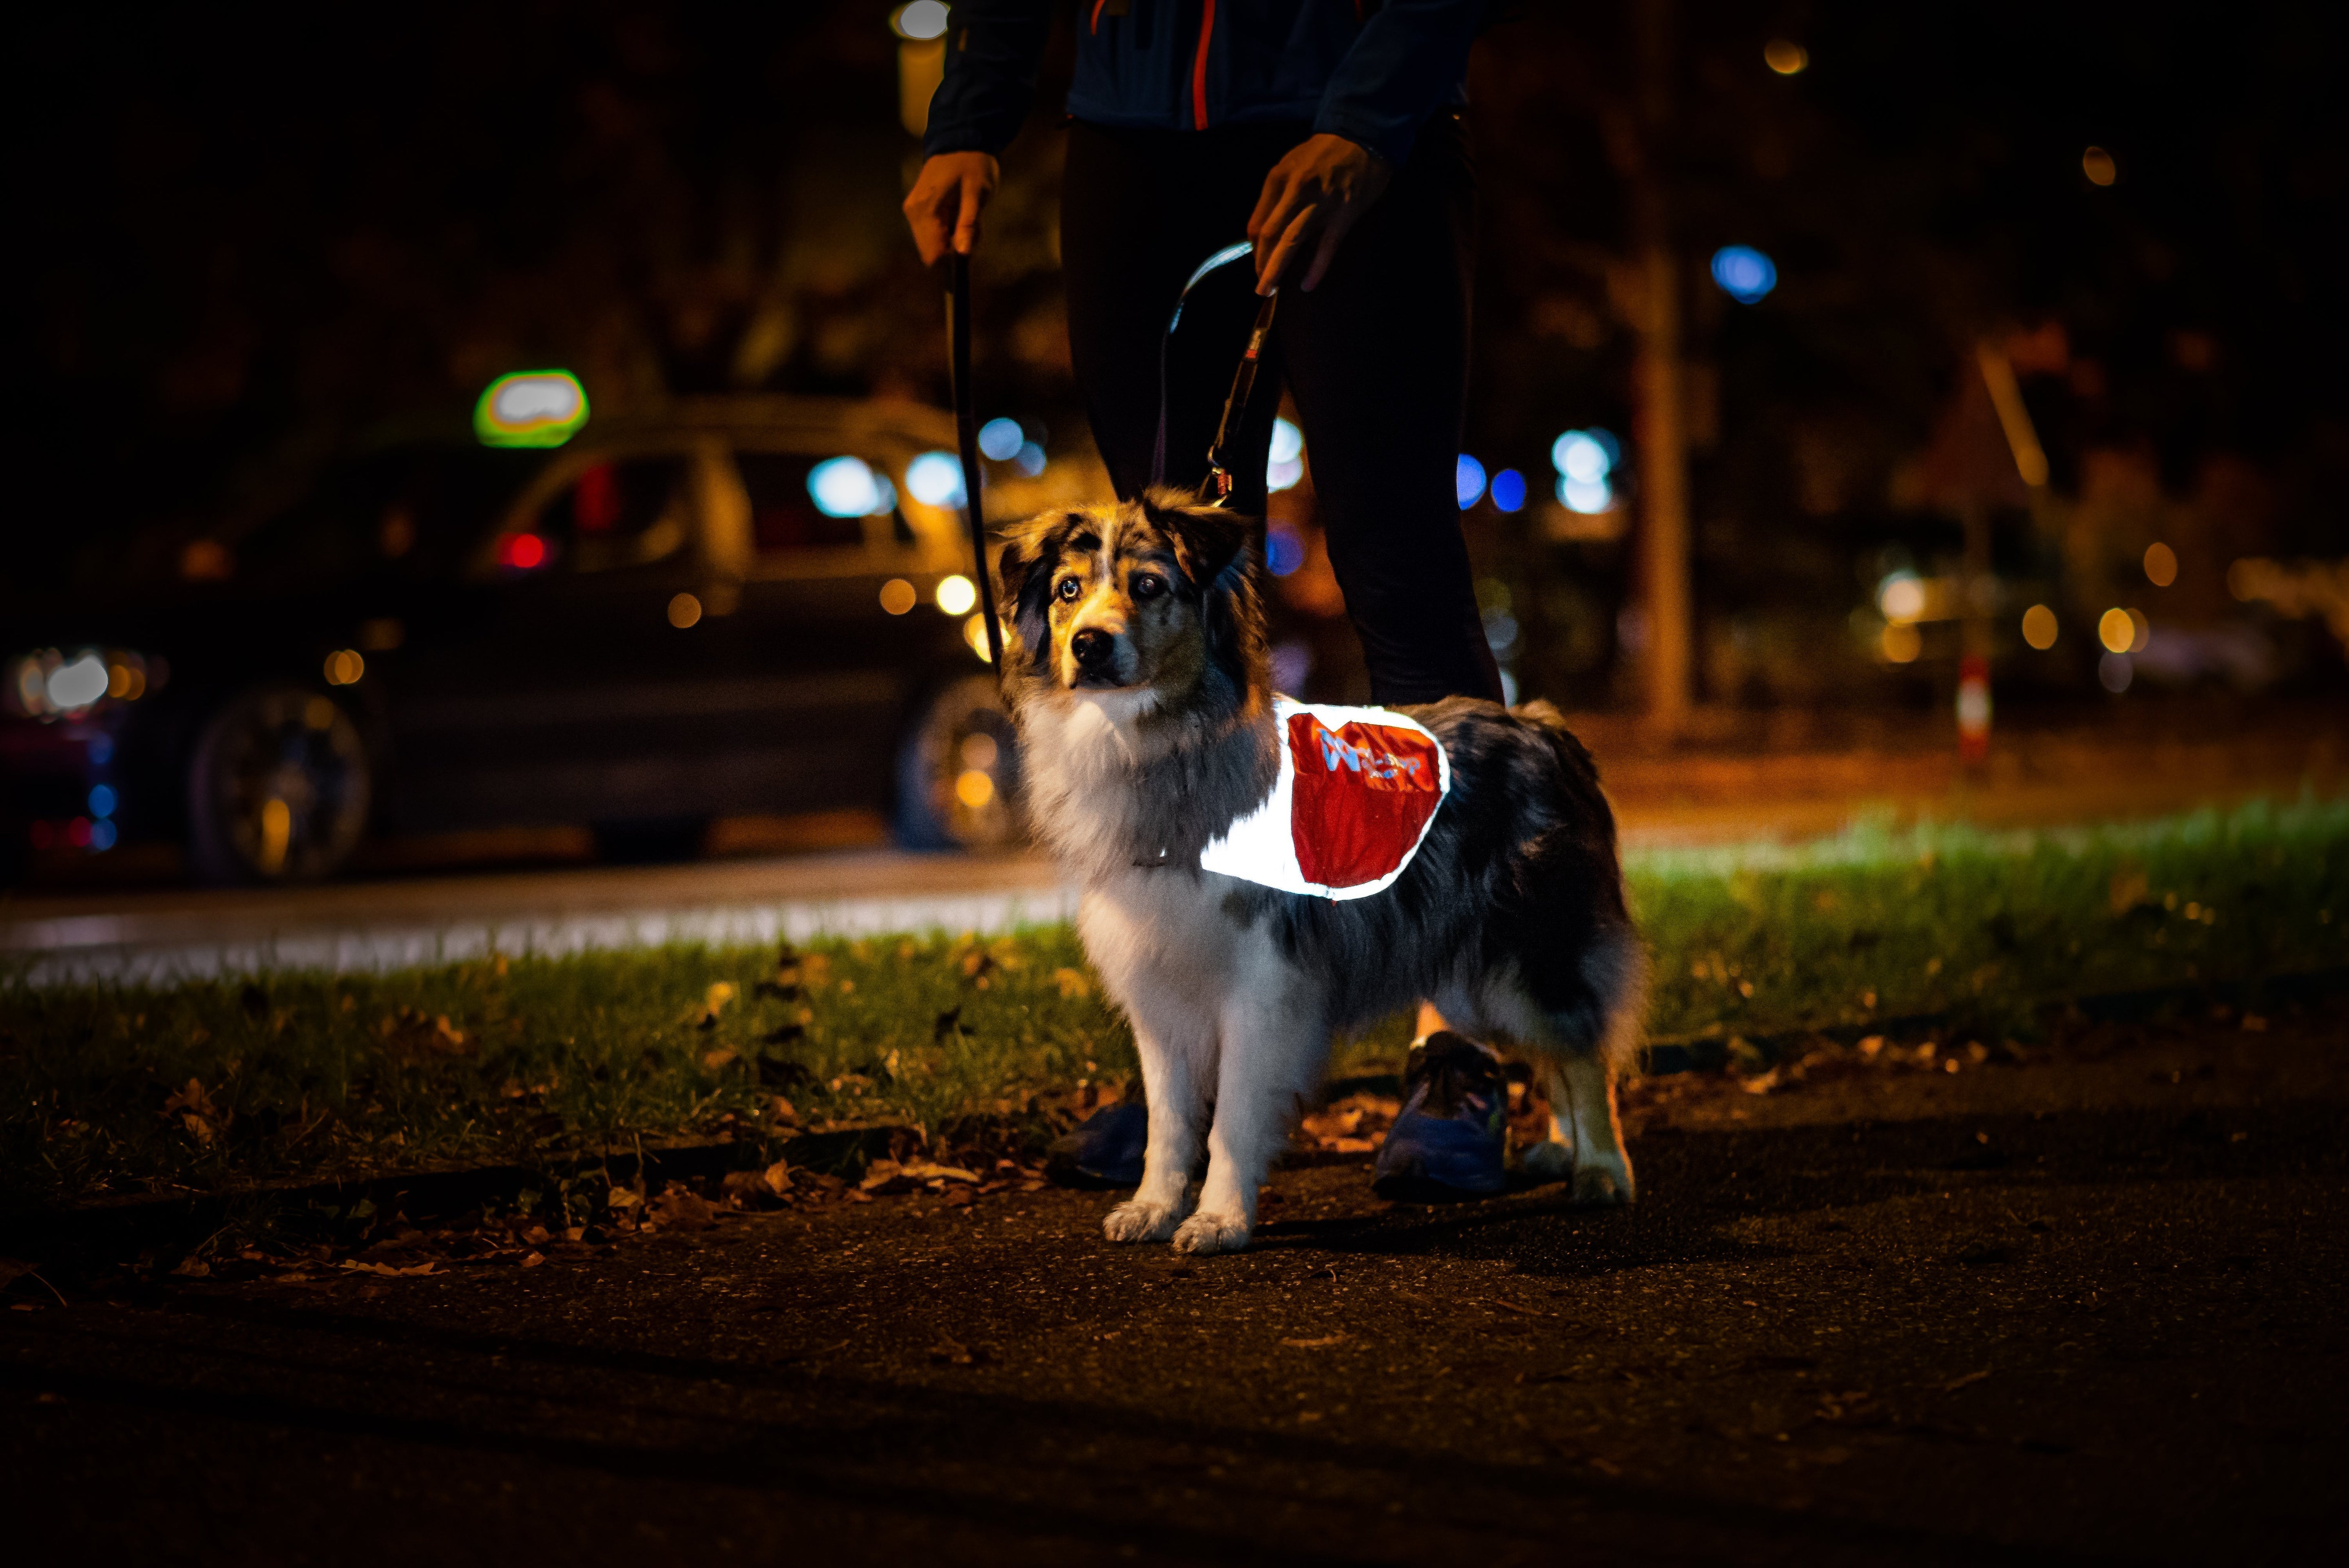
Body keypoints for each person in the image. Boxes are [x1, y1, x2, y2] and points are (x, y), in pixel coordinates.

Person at [903, 0, 1513, 1198]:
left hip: (1354, 125)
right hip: (1136, 146)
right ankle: (1190, 1051)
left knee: (1402, 580)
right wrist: (973, 106)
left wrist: (1374, 114)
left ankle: (1462, 1044)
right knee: (1170, 614)